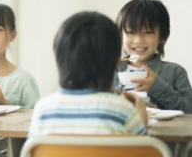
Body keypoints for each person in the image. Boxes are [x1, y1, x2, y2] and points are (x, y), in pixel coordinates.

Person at [28, 11, 147, 139]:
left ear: (60, 58)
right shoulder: (123, 110)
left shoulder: (42, 110)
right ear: (117, 62)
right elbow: (143, 153)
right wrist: (142, 121)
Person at [113, 0, 192, 113]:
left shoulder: (175, 72)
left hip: (161, 131)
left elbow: (189, 111)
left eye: (148, 32)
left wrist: (159, 88)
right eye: (130, 32)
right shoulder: (110, 71)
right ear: (121, 36)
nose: (138, 40)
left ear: (162, 37)